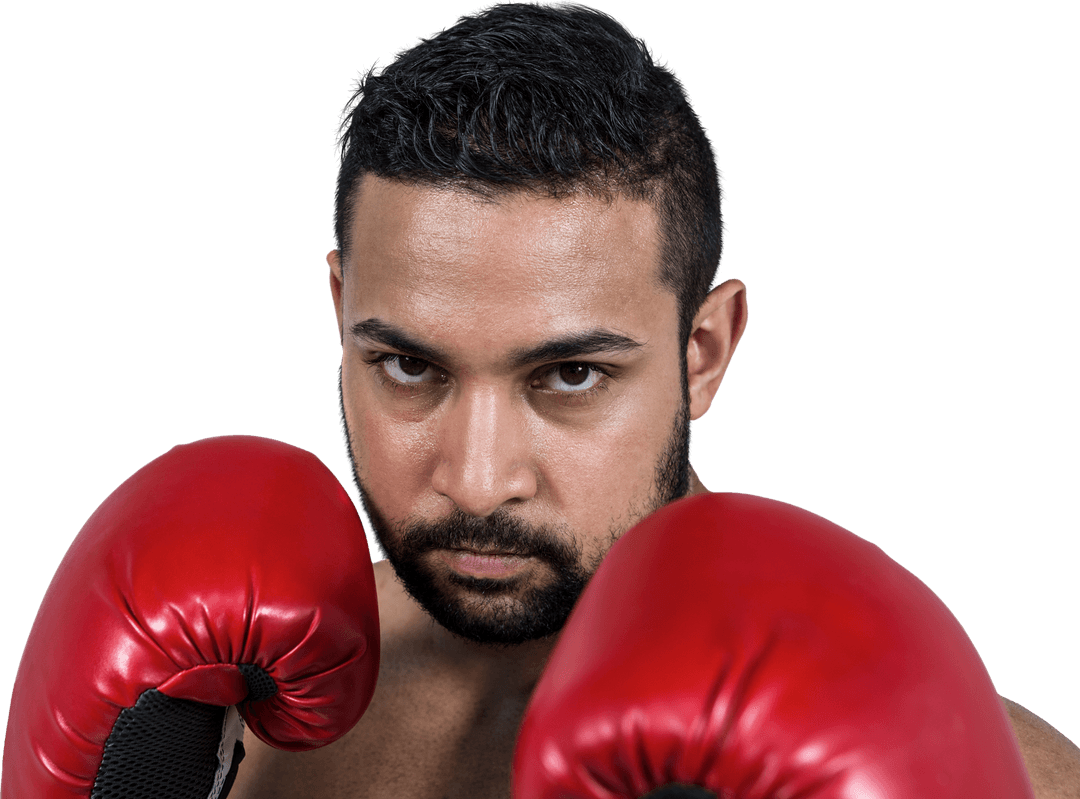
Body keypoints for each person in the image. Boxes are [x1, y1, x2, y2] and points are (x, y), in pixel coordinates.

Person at [3, 2, 1077, 798]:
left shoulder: (984, 769)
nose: (476, 477)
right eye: (409, 367)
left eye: (568, 376)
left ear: (703, 349)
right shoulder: (209, 692)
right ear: (340, 309)